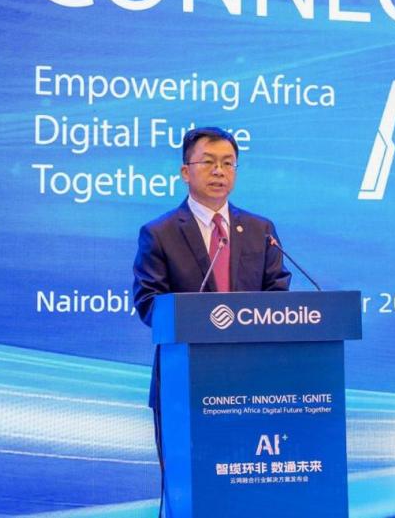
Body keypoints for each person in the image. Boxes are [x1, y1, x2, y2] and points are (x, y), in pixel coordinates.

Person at [132, 126, 291, 514]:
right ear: (185, 172)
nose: (219, 171)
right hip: (184, 385)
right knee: (190, 493)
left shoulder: (261, 230)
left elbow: (277, 296)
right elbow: (149, 303)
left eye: (228, 163)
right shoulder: (160, 233)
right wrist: (198, 319)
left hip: (251, 386)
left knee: (246, 491)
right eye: (209, 162)